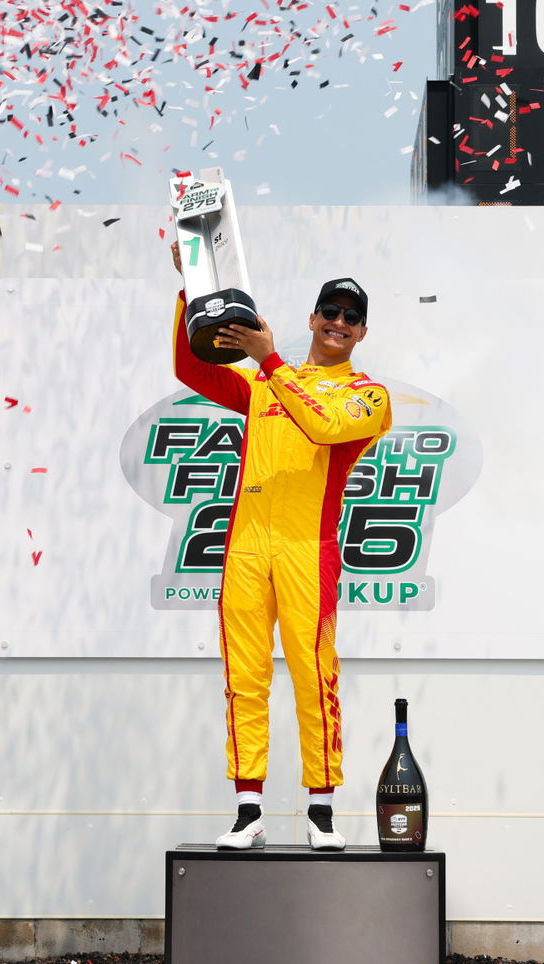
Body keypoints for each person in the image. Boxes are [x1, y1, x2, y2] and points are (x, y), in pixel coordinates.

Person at [172, 250, 392, 850]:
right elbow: (190, 370)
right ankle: (248, 808)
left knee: (314, 675)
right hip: (245, 546)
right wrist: (189, 290)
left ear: (362, 330)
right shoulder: (263, 381)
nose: (338, 322)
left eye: (351, 315)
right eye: (330, 310)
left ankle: (321, 808)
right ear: (314, 316)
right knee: (244, 678)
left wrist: (270, 360)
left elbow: (321, 425)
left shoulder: (369, 396)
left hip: (307, 547)